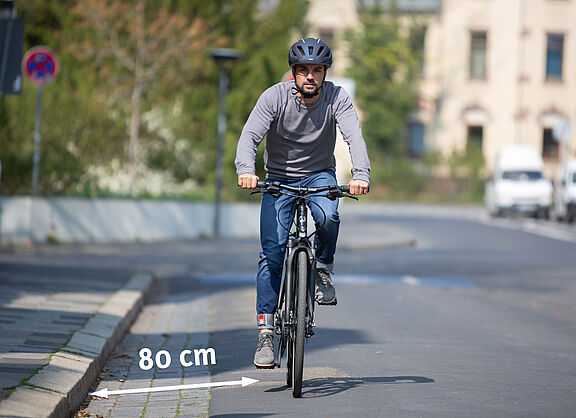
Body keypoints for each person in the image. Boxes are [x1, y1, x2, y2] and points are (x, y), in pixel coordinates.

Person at [235, 37, 370, 368]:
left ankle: (322, 269)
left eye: (317, 70)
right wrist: (246, 170)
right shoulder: (274, 97)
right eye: (304, 70)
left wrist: (361, 174)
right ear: (293, 72)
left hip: (319, 174)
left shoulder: (336, 97)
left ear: (325, 73)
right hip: (278, 179)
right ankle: (266, 333)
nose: (310, 76)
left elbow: (354, 135)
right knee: (271, 254)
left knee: (328, 216)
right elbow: (250, 135)